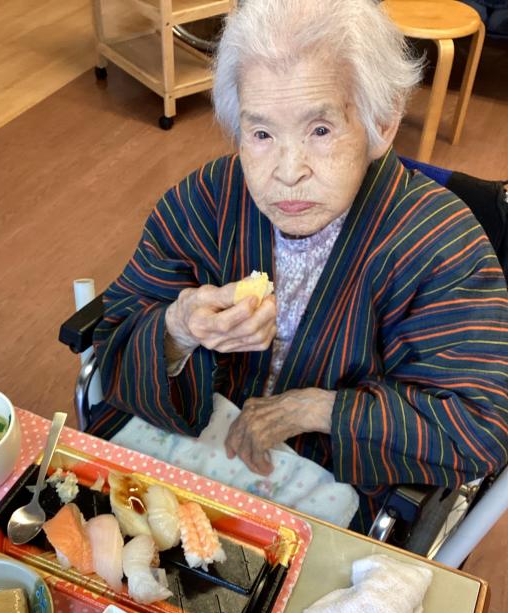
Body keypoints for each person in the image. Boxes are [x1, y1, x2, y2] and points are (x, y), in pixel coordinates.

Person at [88, 0, 508, 532]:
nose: (288, 173)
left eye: (320, 130)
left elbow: (479, 428)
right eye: (261, 134)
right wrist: (178, 330)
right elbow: (116, 335)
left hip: (328, 495)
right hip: (184, 467)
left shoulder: (439, 242)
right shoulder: (206, 200)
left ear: (382, 122)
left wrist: (318, 409)